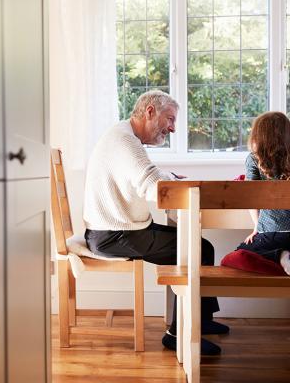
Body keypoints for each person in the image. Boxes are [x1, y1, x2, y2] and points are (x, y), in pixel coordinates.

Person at [83, 90, 228, 355]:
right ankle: (180, 333)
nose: (172, 128)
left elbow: (145, 175)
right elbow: (151, 186)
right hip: (115, 234)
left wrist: (170, 176)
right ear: (150, 111)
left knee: (199, 247)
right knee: (197, 250)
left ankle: (199, 320)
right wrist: (174, 183)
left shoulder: (123, 136)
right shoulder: (125, 142)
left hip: (118, 229)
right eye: (169, 119)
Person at [236, 111, 290, 275]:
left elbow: (250, 196)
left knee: (241, 251)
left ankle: (280, 255)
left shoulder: (254, 159)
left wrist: (257, 227)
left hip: (271, 233)